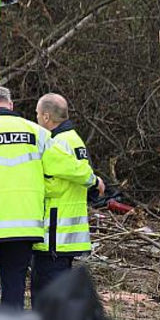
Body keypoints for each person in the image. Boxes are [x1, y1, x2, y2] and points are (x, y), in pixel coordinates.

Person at [0, 86, 95, 308]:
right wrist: (92, 179)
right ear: (10, 105)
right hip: (23, 229)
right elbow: (66, 165)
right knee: (14, 285)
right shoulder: (38, 133)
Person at [32, 93, 106, 296]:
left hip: (54, 232)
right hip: (69, 233)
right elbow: (84, 180)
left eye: (38, 114)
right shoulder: (74, 140)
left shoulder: (55, 143)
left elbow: (55, 186)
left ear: (46, 117)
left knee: (47, 291)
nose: (36, 118)